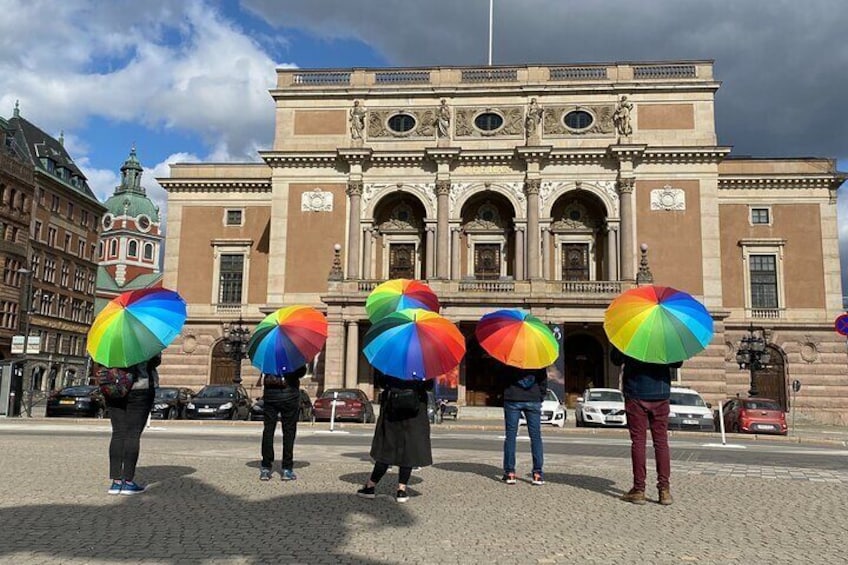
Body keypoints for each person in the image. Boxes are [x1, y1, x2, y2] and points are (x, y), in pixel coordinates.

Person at [611, 346, 682, 505]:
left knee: (638, 442)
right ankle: (664, 490)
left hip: (636, 392)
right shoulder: (665, 336)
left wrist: (619, 343)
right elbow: (678, 363)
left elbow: (615, 360)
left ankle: (639, 489)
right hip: (661, 393)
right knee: (661, 443)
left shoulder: (631, 335)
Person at [357, 372, 433, 503]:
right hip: (414, 416)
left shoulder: (392, 365)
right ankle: (401, 491)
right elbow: (429, 386)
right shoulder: (422, 368)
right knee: (408, 452)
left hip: (392, 413)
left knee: (386, 450)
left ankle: (370, 486)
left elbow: (381, 381)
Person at [106, 353, 159, 495]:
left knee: (118, 433)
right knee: (132, 435)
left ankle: (116, 483)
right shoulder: (146, 336)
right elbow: (155, 361)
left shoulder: (110, 336)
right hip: (139, 389)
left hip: (113, 387)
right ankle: (128, 481)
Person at [501, 363, 547, 486]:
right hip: (533, 398)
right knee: (536, 437)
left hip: (513, 398)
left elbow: (503, 378)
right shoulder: (538, 360)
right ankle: (537, 474)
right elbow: (543, 381)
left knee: (511, 436)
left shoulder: (510, 359)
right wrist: (540, 396)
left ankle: (510, 472)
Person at [259, 365, 307, 481]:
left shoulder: (268, 354)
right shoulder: (293, 354)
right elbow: (301, 372)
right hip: (289, 397)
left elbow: (264, 371)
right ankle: (287, 468)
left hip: (270, 397)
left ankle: (266, 468)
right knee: (289, 432)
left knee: (268, 431)